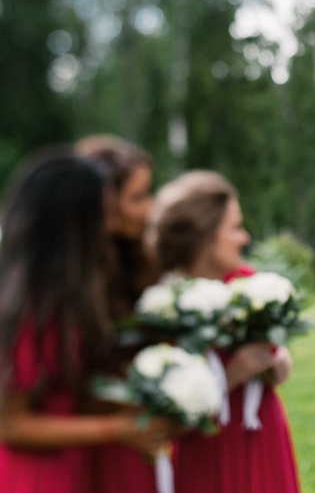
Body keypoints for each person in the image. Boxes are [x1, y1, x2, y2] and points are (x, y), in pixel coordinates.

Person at [0, 151, 171, 493]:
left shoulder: (64, 299)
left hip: (69, 469)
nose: (110, 226)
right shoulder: (34, 309)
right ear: (73, 225)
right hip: (34, 477)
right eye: (104, 215)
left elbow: (64, 398)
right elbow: (11, 424)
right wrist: (117, 429)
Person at [147, 171, 299, 493]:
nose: (244, 238)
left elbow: (281, 360)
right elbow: (161, 417)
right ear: (205, 236)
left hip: (260, 436)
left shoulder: (246, 282)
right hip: (204, 449)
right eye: (234, 228)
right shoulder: (164, 306)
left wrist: (277, 363)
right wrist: (232, 375)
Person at [77, 135, 161, 493]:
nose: (150, 207)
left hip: (134, 439)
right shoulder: (72, 280)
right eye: (137, 197)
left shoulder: (143, 261)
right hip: (84, 440)